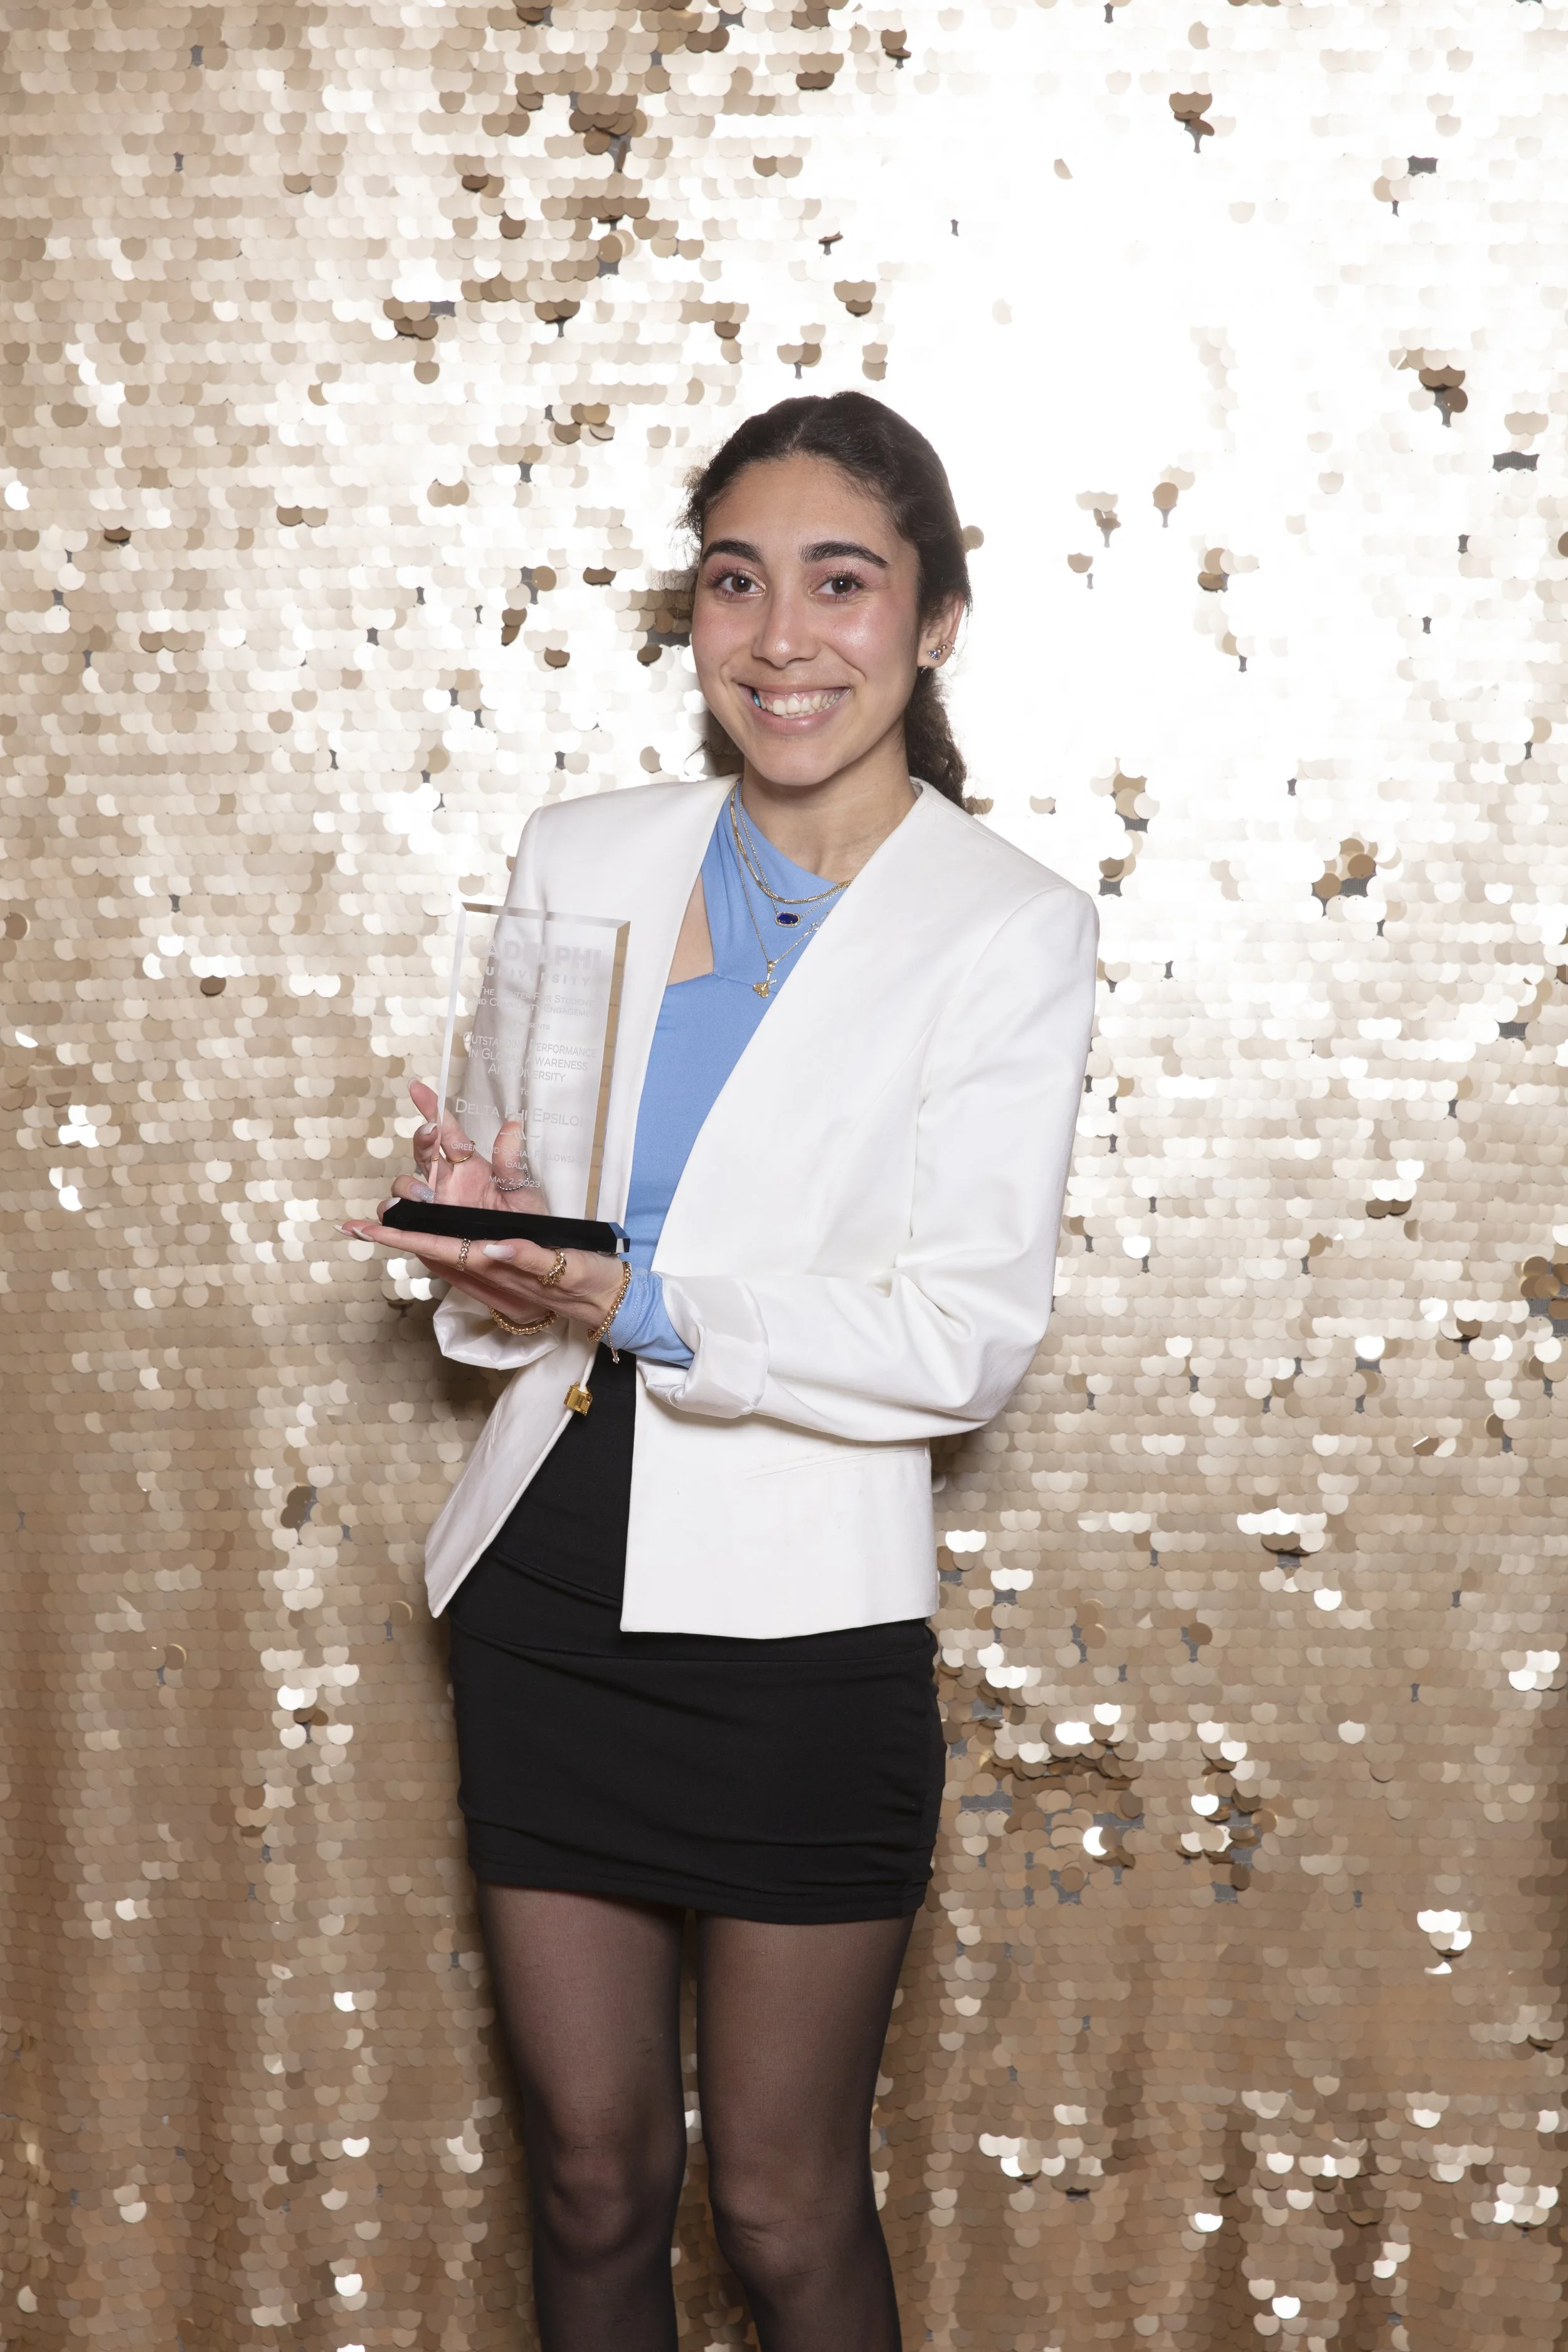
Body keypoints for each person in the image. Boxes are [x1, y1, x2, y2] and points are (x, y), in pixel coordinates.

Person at [342, 391, 1097, 2352]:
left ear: (931, 619)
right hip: (545, 1590)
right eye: (735, 582)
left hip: (795, 1637)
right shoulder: (582, 853)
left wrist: (641, 1296)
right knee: (592, 2181)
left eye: (841, 583)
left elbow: (964, 1338)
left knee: (779, 2201)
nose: (782, 637)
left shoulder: (1003, 927)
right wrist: (490, 1236)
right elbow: (503, 1304)